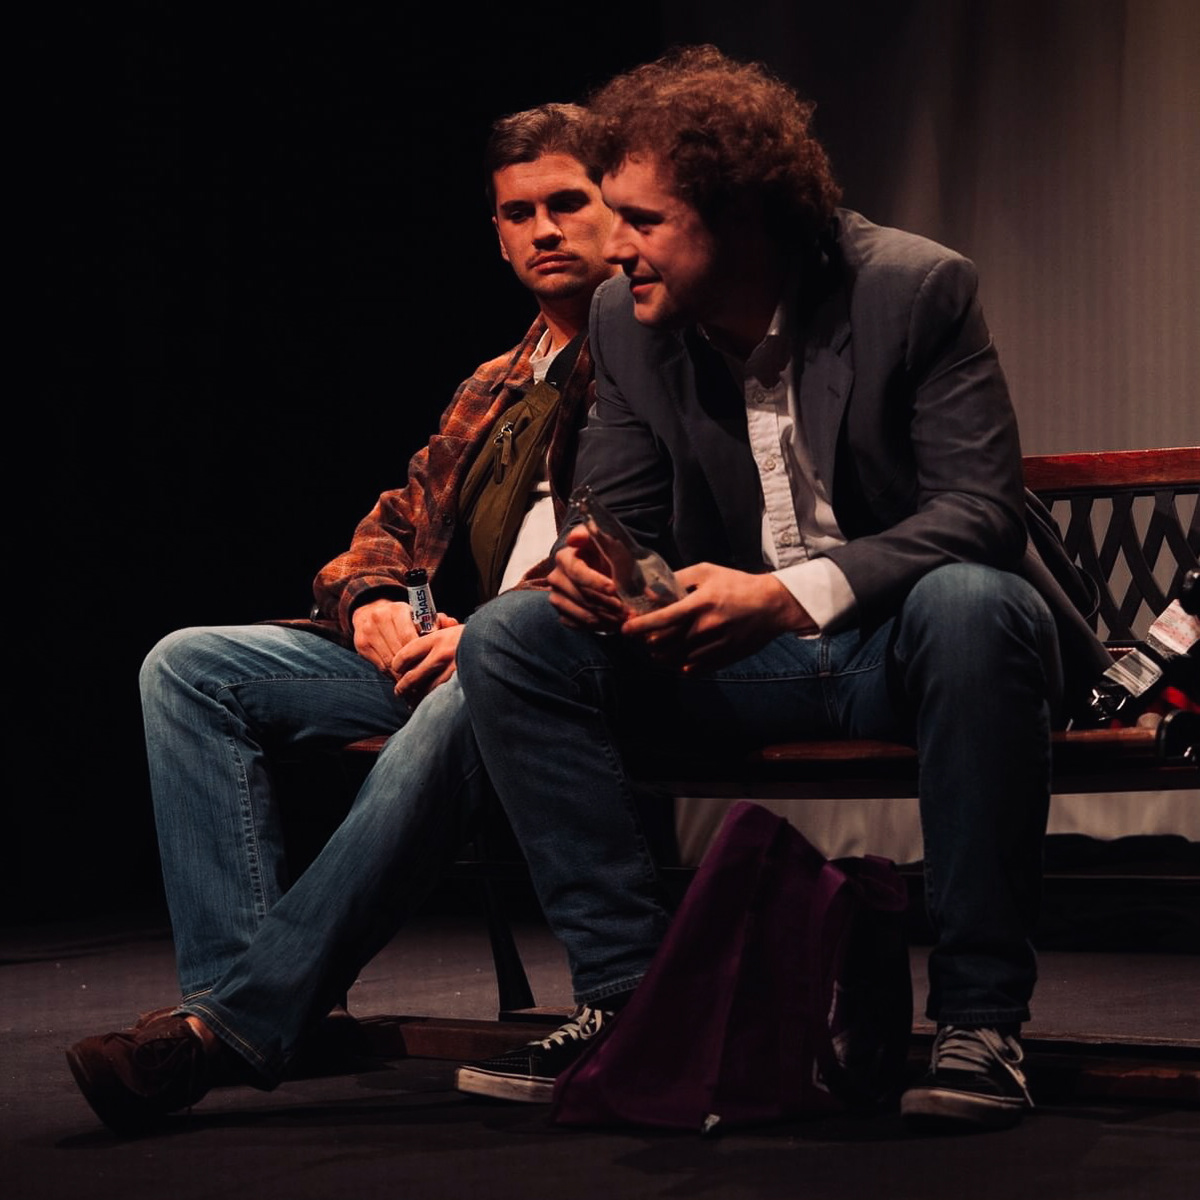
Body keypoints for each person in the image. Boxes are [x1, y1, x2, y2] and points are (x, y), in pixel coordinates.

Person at [452, 48, 1108, 1130]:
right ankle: (636, 1004)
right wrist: (603, 574)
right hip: (736, 663)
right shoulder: (625, 320)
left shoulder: (912, 287)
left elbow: (978, 513)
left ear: (743, 218)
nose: (614, 246)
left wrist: (790, 595)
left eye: (643, 220)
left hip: (901, 650)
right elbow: (615, 519)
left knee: (974, 601)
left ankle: (981, 1023)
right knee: (515, 638)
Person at [66, 103, 616, 1135]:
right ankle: (262, 1006)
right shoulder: (499, 379)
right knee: (188, 666)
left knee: (481, 679)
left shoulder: (653, 355)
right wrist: (372, 600)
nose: (544, 230)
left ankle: (228, 1028)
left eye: (567, 203)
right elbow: (394, 520)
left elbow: (641, 535)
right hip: (446, 651)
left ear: (617, 207)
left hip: (559, 664)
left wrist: (493, 631)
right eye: (519, 213)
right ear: (496, 236)